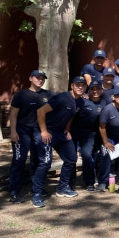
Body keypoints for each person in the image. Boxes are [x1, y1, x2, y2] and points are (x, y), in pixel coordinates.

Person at [32, 76, 87, 207]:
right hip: (45, 130)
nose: (80, 87)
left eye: (83, 85)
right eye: (77, 84)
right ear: (72, 86)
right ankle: (36, 194)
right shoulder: (62, 98)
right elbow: (40, 111)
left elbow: (71, 115)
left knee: (71, 158)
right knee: (45, 162)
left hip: (60, 132)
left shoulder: (80, 102)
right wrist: (44, 131)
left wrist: (67, 129)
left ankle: (62, 188)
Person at [8, 70, 54, 203]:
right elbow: (13, 114)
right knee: (19, 160)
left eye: (42, 78)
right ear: (30, 78)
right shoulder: (21, 94)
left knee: (38, 160)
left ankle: (37, 187)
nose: (40, 80)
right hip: (22, 131)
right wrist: (13, 132)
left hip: (39, 131)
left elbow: (61, 101)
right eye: (37, 78)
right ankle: (14, 191)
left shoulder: (48, 94)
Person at [71, 80, 107, 192]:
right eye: (92, 89)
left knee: (87, 155)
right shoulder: (82, 101)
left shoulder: (104, 103)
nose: (95, 91)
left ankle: (89, 181)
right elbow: (71, 116)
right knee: (72, 157)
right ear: (89, 90)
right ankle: (70, 182)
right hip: (75, 132)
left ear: (101, 90)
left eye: (97, 89)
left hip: (90, 134)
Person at [98, 87, 119, 191]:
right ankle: (102, 182)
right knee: (106, 155)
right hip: (109, 136)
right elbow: (102, 127)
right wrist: (106, 142)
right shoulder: (107, 109)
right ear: (114, 97)